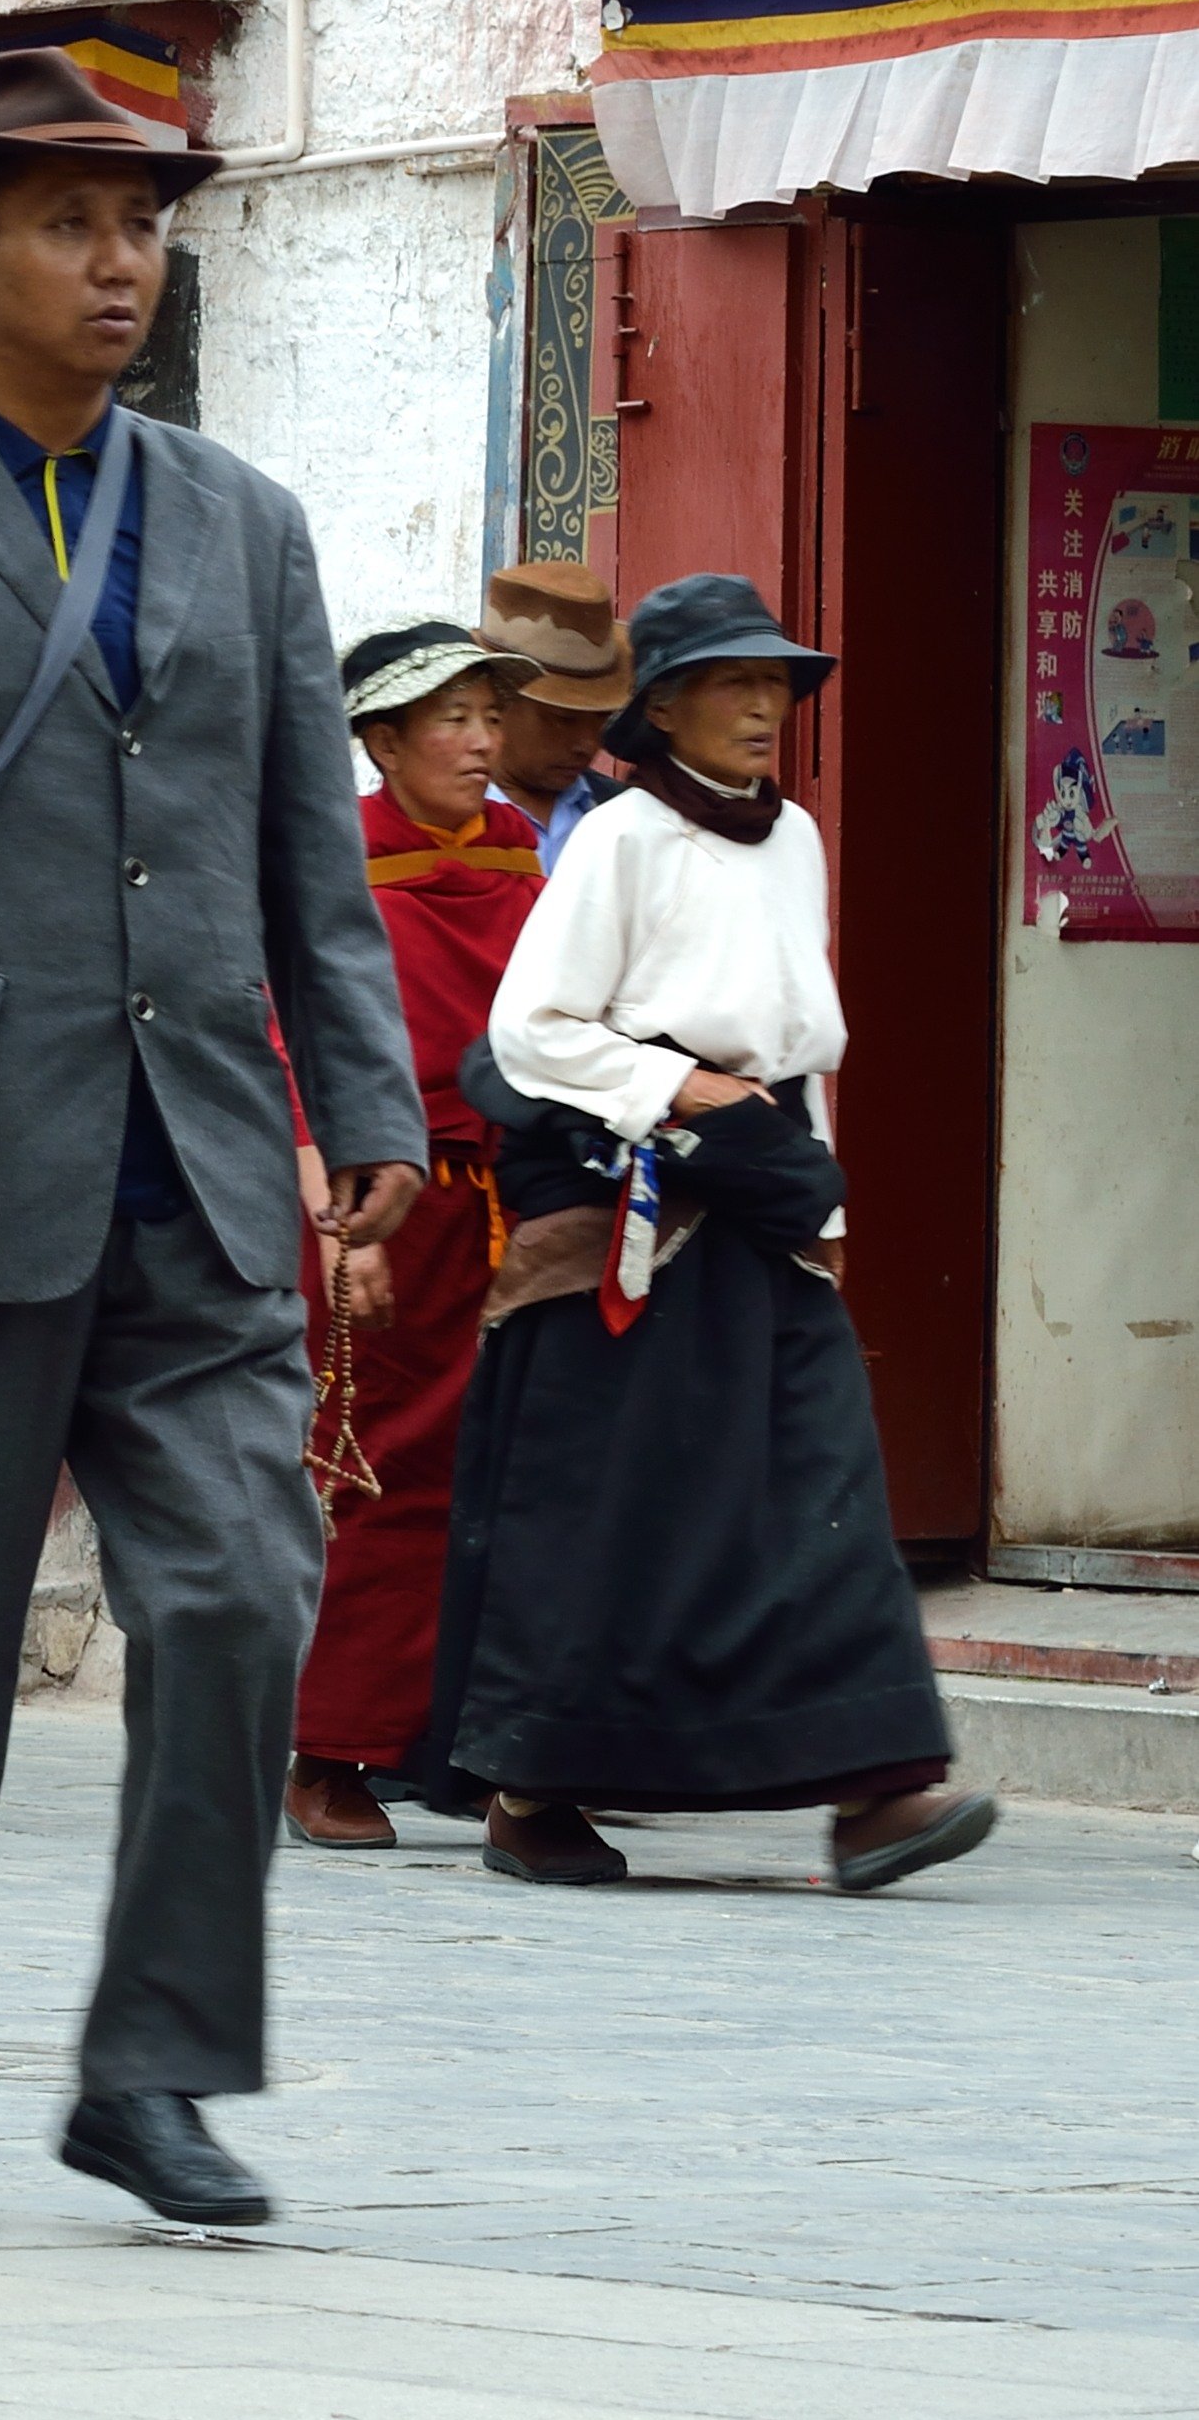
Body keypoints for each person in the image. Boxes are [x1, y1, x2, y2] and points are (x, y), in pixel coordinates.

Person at [0, 45, 423, 2234]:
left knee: (236, 1596)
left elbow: (308, 849)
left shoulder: (242, 520)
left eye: (136, 225)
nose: (118, 262)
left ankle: (152, 2068)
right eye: (66, 225)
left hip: (197, 1167)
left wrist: (367, 1095)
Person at [426, 575, 996, 1894]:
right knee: (631, 1508)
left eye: (775, 684)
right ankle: (533, 1788)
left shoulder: (793, 836)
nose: (762, 706)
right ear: (667, 707)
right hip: (645, 1203)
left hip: (767, 1192)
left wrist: (822, 1205)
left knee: (825, 1476)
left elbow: (795, 1043)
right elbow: (529, 1032)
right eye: (734, 683)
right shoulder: (620, 840)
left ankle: (877, 1789)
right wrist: (675, 1088)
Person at [278, 623, 548, 1853]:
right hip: (384, 1198)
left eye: (492, 715)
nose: (483, 740)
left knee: (520, 1468)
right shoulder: (334, 858)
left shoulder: (520, 852)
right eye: (453, 718)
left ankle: (491, 1746)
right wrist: (341, 1222)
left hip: (513, 1197)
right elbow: (292, 1044)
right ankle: (329, 1745)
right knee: (375, 1467)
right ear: (382, 743)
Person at [471, 560, 635, 861]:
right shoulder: (437, 818)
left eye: (602, 718)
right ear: (497, 697)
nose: (588, 743)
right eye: (564, 719)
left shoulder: (627, 817)